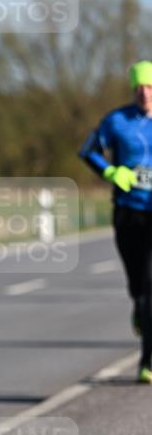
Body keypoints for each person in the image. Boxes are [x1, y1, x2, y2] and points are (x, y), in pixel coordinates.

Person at [78, 60, 152, 383]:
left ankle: (147, 361)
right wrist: (110, 171)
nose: (144, 93)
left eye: (149, 86)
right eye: (138, 87)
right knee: (137, 284)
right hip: (127, 212)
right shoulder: (117, 121)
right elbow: (88, 150)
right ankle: (137, 304)